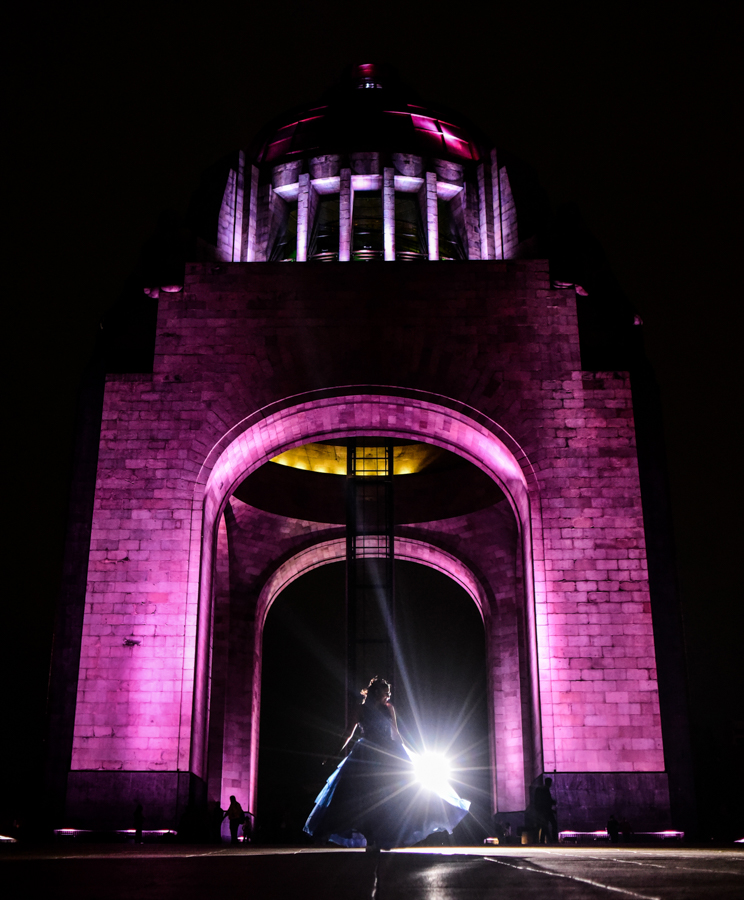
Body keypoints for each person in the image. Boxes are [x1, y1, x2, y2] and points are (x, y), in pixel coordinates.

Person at [304, 676, 470, 849]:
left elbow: (395, 733)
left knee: (392, 794)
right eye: (386, 692)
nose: (389, 695)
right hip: (366, 753)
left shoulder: (389, 708)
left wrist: (409, 754)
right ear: (376, 692)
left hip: (386, 751)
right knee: (359, 796)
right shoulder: (360, 709)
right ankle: (369, 835)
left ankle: (384, 835)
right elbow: (348, 733)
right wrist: (334, 754)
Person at [533, 777, 557, 844]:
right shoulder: (545, 790)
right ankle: (552, 839)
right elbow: (546, 802)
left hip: (542, 811)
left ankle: (542, 840)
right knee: (552, 824)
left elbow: (543, 801)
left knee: (544, 825)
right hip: (546, 811)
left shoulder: (541, 790)